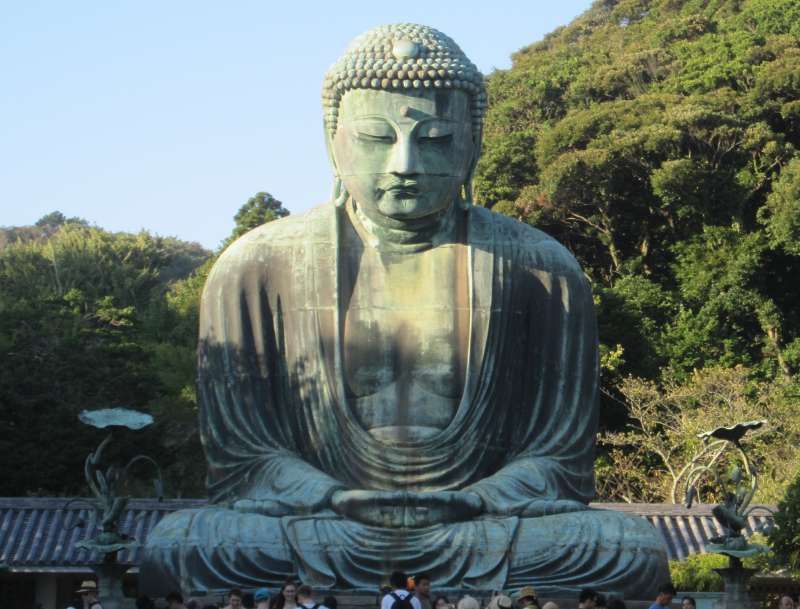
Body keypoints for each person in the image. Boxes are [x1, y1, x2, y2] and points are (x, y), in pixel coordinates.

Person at [141, 22, 669, 599]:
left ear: (474, 144)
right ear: (332, 140)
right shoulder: (255, 267)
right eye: (375, 136)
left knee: (626, 546)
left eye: (437, 138)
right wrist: (327, 494)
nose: (405, 163)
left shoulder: (542, 270)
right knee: (184, 542)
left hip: (478, 523)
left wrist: (480, 497)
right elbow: (244, 458)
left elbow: (557, 459)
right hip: (325, 521)